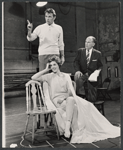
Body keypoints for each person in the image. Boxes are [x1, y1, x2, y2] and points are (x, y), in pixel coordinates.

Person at [31, 55, 120, 143]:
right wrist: (46, 70)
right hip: (56, 101)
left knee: (78, 105)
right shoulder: (48, 76)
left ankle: (68, 127)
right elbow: (33, 77)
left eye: (54, 64)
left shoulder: (66, 76)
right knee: (73, 104)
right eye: (51, 65)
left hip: (66, 99)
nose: (53, 67)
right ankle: (71, 129)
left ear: (58, 65)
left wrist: (64, 98)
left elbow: (70, 92)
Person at [73, 36, 103, 102]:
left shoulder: (98, 54)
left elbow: (100, 66)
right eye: (85, 42)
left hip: (92, 76)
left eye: (88, 42)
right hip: (82, 74)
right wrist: (78, 70)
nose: (86, 44)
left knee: (92, 97)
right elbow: (76, 62)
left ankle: (92, 105)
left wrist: (96, 73)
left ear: (93, 44)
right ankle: (81, 100)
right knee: (78, 81)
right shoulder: (80, 51)